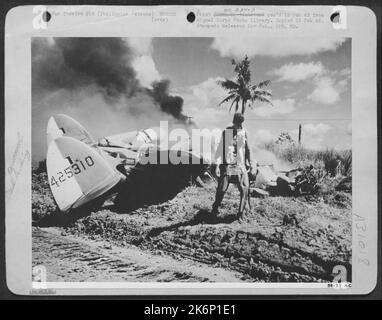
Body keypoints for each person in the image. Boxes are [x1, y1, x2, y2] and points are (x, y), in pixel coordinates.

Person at [211, 113, 256, 220]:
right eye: (237, 123)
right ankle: (215, 208)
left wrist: (252, 164)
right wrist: (216, 165)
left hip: (240, 165)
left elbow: (249, 150)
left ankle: (240, 214)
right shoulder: (226, 133)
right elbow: (220, 149)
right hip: (227, 165)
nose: (238, 126)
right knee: (221, 189)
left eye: (240, 124)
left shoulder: (244, 133)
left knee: (244, 188)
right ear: (233, 122)